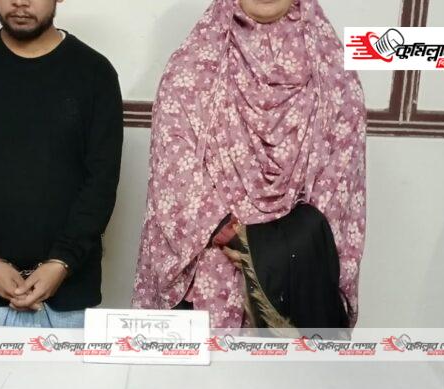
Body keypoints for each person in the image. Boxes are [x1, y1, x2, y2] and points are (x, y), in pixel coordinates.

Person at [132, 0, 366, 328]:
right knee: (203, 363)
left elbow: (339, 185)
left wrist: (268, 246)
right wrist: (232, 235)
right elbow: (173, 171)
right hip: (209, 275)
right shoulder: (191, 68)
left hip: (296, 278)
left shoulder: (334, 77)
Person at [0, 0, 123, 328]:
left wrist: (63, 261)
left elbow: (102, 180)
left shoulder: (95, 72)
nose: (20, 2)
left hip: (71, 293)